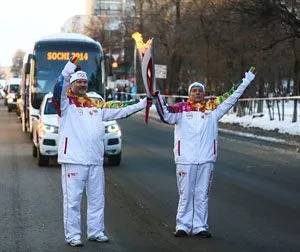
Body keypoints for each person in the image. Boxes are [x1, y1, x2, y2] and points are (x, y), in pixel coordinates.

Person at [52, 57, 151, 247]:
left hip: (95, 160)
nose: (82, 84)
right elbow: (58, 89)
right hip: (74, 160)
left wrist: (141, 104)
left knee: (97, 198)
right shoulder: (65, 104)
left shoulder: (96, 105)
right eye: (78, 81)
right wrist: (68, 69)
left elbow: (120, 109)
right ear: (71, 85)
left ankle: (96, 231)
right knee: (72, 201)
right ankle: (73, 235)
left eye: (84, 81)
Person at [153, 69, 256, 238]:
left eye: (200, 90)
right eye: (194, 90)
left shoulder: (213, 109)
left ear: (204, 94)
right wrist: (157, 98)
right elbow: (165, 115)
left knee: (202, 194)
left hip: (206, 159)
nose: (197, 93)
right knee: (186, 194)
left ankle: (200, 226)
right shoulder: (180, 109)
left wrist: (246, 80)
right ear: (189, 94)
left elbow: (232, 96)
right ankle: (183, 225)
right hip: (185, 159)